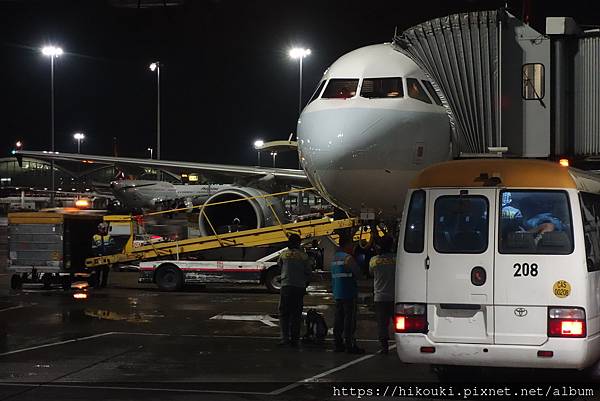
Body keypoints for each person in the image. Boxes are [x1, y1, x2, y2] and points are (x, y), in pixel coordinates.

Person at [331, 234, 364, 354]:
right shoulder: (348, 258)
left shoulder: (335, 258)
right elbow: (358, 273)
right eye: (351, 244)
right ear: (347, 244)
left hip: (337, 293)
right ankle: (349, 344)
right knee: (349, 320)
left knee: (338, 319)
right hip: (348, 292)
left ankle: (337, 343)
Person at [277, 233, 312, 348]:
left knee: (284, 313)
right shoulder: (303, 256)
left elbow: (280, 266)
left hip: (286, 286)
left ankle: (284, 338)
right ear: (298, 243)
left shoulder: (283, 255)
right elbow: (308, 272)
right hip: (299, 287)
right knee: (296, 314)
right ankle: (295, 339)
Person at [368, 236, 396, 354]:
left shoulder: (374, 260)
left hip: (380, 297)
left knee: (382, 324)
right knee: (399, 323)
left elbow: (370, 273)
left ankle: (384, 347)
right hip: (396, 297)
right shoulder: (397, 259)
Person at [91, 222, 115, 288]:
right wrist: (97, 254)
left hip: (106, 256)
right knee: (97, 271)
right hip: (98, 256)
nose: (104, 230)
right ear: (99, 229)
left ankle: (103, 284)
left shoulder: (109, 236)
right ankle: (96, 284)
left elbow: (112, 246)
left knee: (105, 271)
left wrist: (109, 254)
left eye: (105, 229)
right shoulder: (95, 237)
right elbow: (93, 247)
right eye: (103, 228)